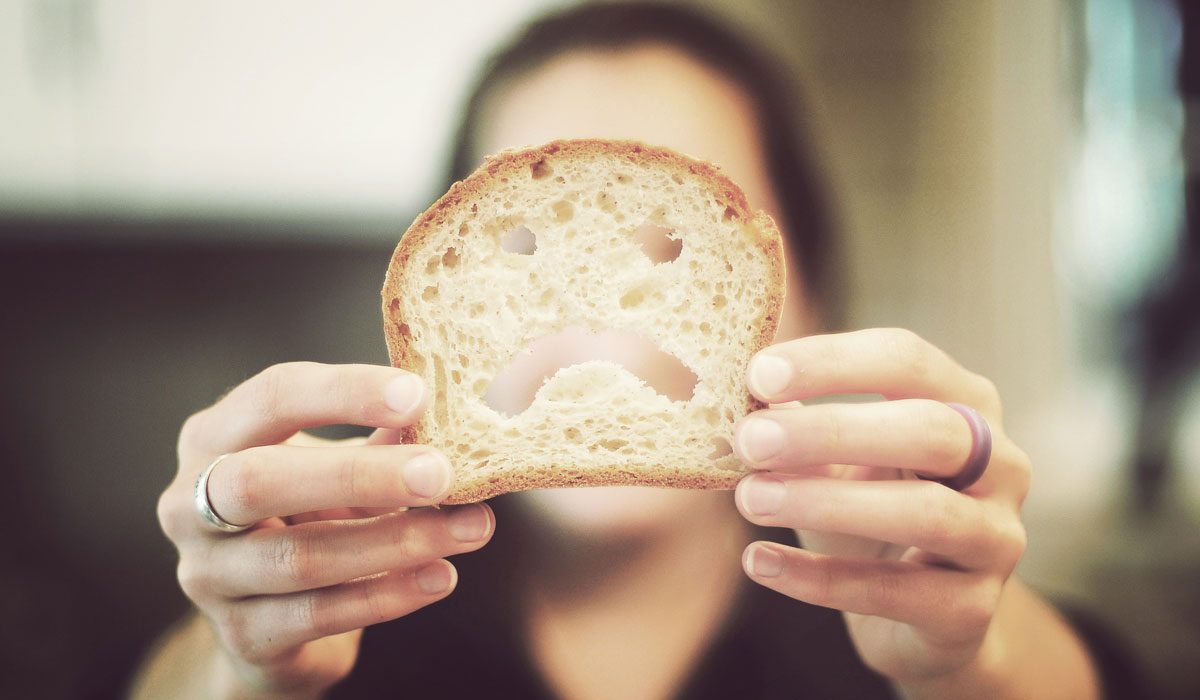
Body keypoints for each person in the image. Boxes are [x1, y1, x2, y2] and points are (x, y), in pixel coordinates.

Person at [133, 4, 1130, 698]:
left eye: (675, 241)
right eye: (521, 243)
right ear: (421, 308)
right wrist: (238, 667)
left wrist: (973, 664)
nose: (594, 314)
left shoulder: (897, 610)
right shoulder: (338, 609)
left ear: (805, 295)